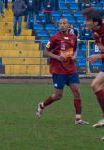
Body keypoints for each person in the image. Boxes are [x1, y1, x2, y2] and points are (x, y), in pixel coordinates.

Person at [36, 18, 89, 125]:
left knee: (77, 91)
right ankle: (42, 105)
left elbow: (74, 51)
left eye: (64, 23)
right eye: (60, 23)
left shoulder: (73, 37)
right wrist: (57, 57)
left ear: (68, 25)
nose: (62, 25)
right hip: (58, 70)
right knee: (58, 95)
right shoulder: (54, 38)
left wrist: (74, 57)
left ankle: (78, 119)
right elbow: (45, 53)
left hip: (70, 69)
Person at [81, 8, 104, 139]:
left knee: (96, 85)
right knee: (97, 86)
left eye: (88, 20)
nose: (85, 22)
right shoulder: (95, 32)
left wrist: (99, 56)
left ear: (95, 22)